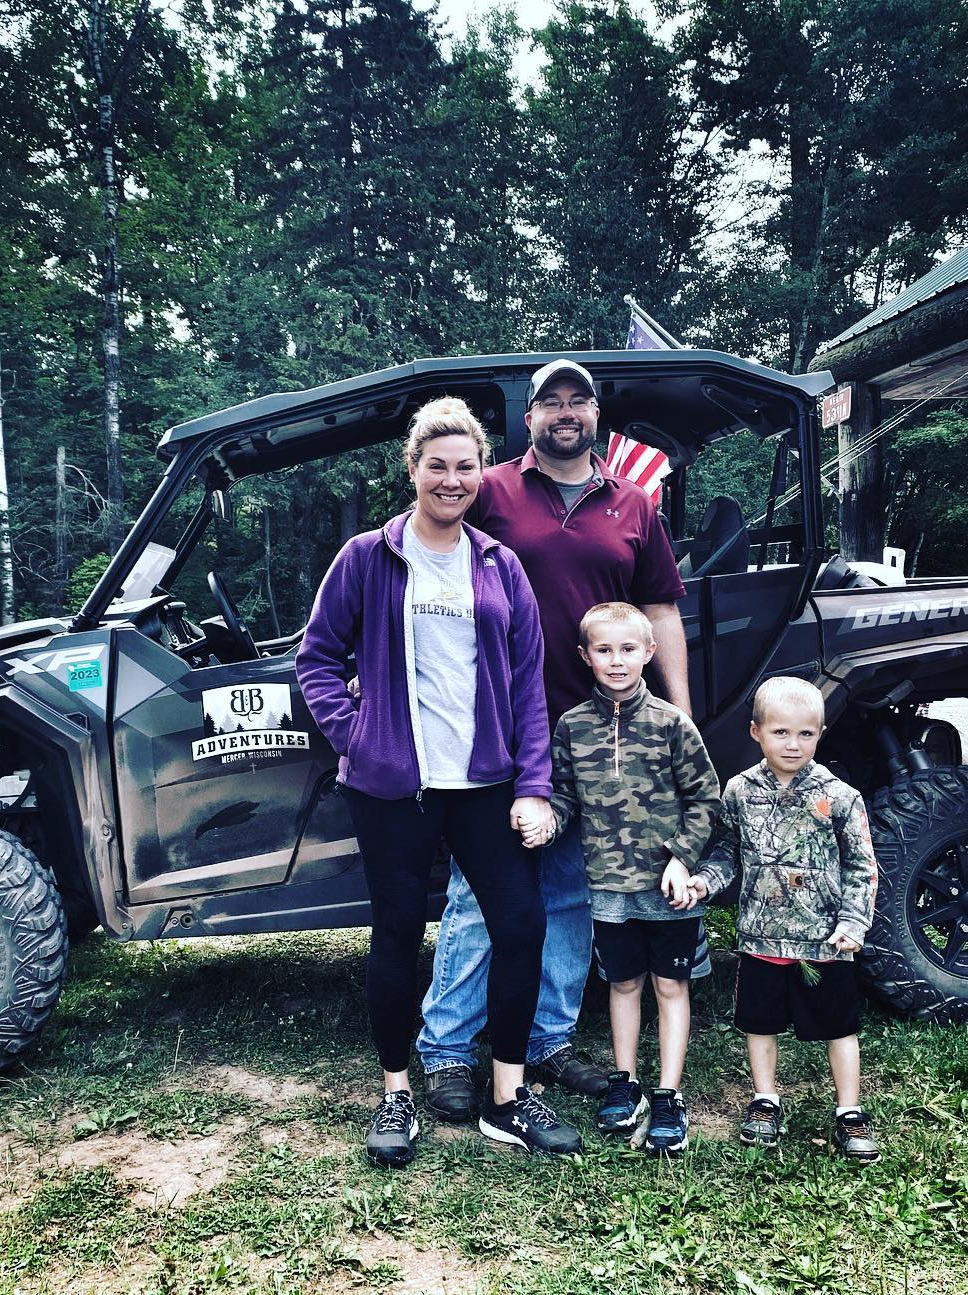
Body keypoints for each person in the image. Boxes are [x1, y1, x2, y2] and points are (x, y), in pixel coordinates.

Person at [297, 396, 582, 1167]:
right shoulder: (366, 556)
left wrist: (532, 784)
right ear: (412, 469)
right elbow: (317, 658)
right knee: (395, 932)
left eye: (465, 467)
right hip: (393, 785)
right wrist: (357, 735)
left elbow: (527, 685)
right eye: (437, 466)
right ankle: (396, 1092)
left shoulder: (499, 564)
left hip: (485, 781)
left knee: (521, 924)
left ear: (478, 475)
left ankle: (508, 1095)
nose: (451, 480)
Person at [416, 358, 690, 1122]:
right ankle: (445, 1048)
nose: (564, 412)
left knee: (572, 889)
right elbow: (428, 560)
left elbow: (660, 609)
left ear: (596, 413)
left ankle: (548, 1038)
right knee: (480, 892)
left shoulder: (633, 504)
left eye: (578, 399)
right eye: (550, 401)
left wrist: (681, 710)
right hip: (497, 729)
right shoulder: (492, 489)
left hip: (596, 736)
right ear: (529, 415)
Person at [525, 602, 720, 1154]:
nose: (617, 661)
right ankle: (625, 1081)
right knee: (623, 984)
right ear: (585, 656)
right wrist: (547, 818)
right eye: (604, 650)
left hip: (669, 889)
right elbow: (563, 794)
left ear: (649, 653)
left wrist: (683, 857)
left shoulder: (671, 725)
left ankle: (668, 1094)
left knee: (669, 986)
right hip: (607, 889)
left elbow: (705, 799)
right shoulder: (571, 727)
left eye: (628, 649)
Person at [687, 676, 882, 1163]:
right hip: (761, 940)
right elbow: (727, 851)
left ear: (820, 733)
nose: (792, 744)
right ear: (757, 732)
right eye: (780, 733)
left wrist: (853, 924)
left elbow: (862, 865)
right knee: (761, 1023)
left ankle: (849, 1112)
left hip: (825, 943)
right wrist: (704, 882)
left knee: (840, 1027)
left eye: (805, 734)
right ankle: (765, 1100)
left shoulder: (840, 796)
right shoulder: (738, 791)